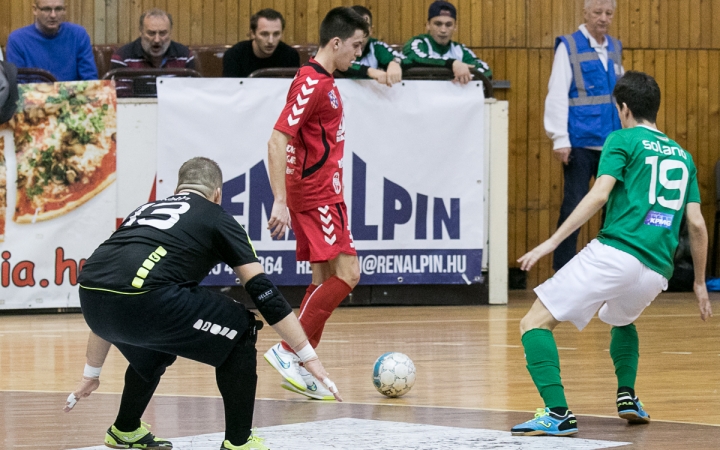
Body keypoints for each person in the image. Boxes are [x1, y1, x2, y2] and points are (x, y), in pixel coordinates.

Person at [63, 157, 341, 450]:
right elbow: (261, 289)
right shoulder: (217, 216)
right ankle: (239, 442)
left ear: (178, 188)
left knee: (154, 350)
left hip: (92, 301)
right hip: (147, 300)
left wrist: (91, 374)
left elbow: (112, 285)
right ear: (217, 193)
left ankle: (125, 429)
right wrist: (307, 355)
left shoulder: (143, 211)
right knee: (242, 328)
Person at [510, 71, 712, 437]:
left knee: (533, 323)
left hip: (616, 252)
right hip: (657, 271)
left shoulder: (622, 139)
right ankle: (628, 396)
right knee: (621, 320)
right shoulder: (684, 157)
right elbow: (696, 224)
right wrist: (699, 283)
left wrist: (551, 242)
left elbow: (599, 194)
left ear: (623, 109)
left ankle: (557, 413)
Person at [264, 7, 367, 401]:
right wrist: (279, 201)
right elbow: (277, 139)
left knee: (323, 281)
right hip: (319, 194)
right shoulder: (312, 82)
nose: (357, 54)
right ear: (336, 42)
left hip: (323, 193)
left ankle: (305, 364)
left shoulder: (322, 79)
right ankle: (289, 350)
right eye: (355, 46)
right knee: (349, 275)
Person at [545, 0, 624, 271]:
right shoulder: (569, 45)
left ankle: (606, 268)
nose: (603, 18)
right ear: (585, 13)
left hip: (611, 144)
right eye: (597, 13)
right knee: (574, 208)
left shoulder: (615, 47)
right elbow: (556, 93)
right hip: (579, 143)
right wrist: (559, 138)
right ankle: (562, 271)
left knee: (612, 211)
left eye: (608, 13)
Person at [5, 0, 97, 81]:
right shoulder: (17, 40)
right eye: (47, 9)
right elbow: (18, 86)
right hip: (33, 98)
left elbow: (90, 79)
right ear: (35, 10)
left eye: (58, 9)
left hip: (73, 98)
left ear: (64, 10)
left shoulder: (78, 35)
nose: (53, 15)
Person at [403, 1, 491, 85]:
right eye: (438, 24)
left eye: (448, 25)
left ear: (455, 27)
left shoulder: (460, 50)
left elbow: (485, 70)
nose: (443, 30)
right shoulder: (417, 43)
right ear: (428, 25)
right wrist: (452, 63)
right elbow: (416, 57)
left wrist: (466, 75)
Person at [222, 9, 300, 78]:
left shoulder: (290, 55)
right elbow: (230, 91)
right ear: (252, 34)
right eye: (264, 34)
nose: (271, 41)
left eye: (276, 34)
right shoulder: (235, 55)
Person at [110, 8, 195, 70]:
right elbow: (121, 94)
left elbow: (192, 92)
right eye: (151, 33)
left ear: (170, 32)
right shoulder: (122, 57)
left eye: (162, 33)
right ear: (141, 31)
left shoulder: (185, 56)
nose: (157, 40)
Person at [341, 5, 404, 87]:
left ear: (371, 30)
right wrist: (369, 71)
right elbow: (340, 63)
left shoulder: (376, 46)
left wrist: (395, 62)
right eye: (354, 28)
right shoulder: (339, 47)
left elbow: (404, 58)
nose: (360, 33)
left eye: (364, 28)